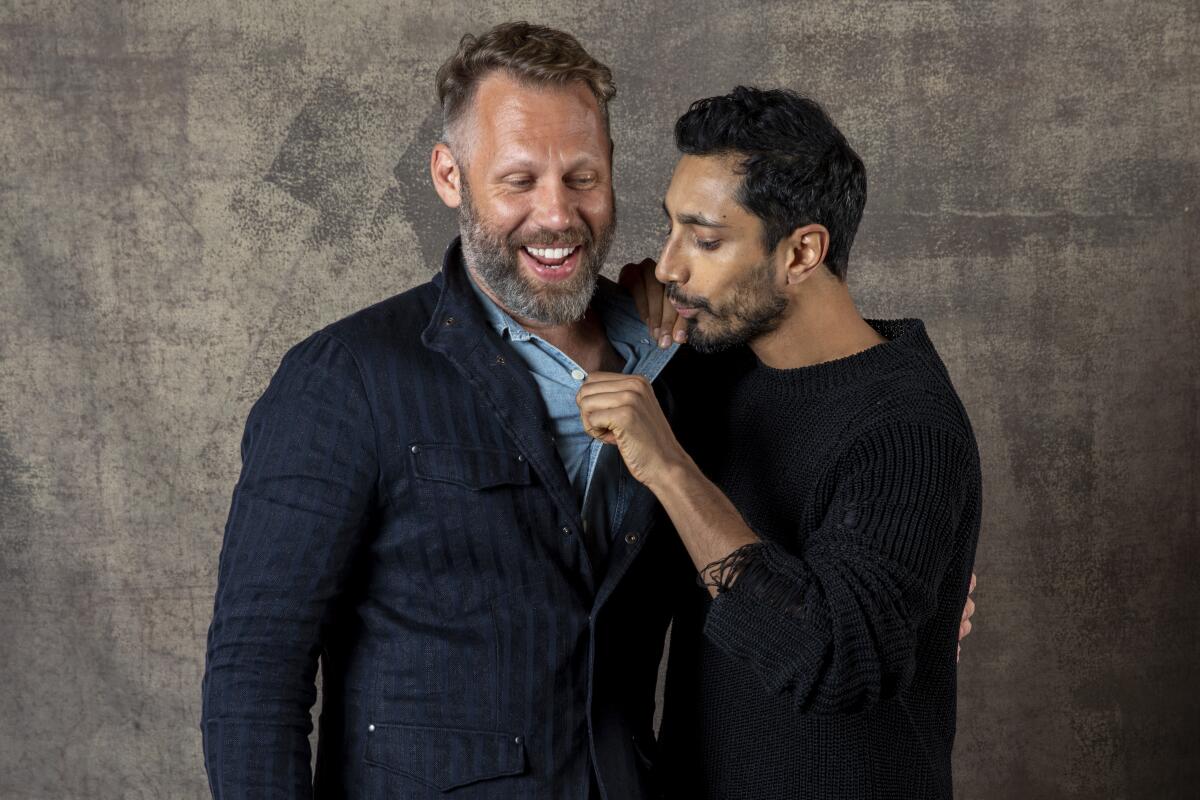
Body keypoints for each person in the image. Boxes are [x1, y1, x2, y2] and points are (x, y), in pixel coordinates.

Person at [201, 21, 976, 799]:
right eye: (517, 180)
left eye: (582, 177)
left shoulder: (683, 371)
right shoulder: (348, 378)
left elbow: (832, 585)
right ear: (448, 176)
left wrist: (918, 589)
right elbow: (253, 675)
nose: (557, 215)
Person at [578, 87, 981, 799]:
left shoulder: (908, 426)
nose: (670, 265)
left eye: (704, 240)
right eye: (670, 229)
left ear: (801, 252)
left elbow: (834, 660)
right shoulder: (715, 368)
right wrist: (642, 309)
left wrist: (669, 465)